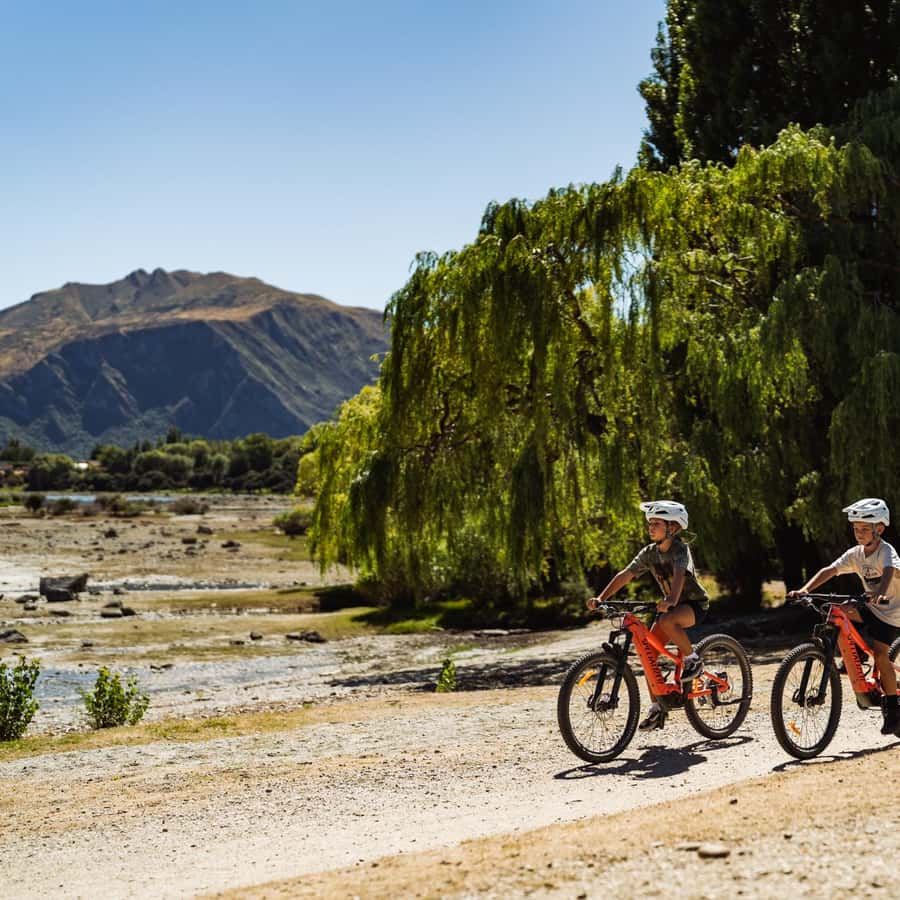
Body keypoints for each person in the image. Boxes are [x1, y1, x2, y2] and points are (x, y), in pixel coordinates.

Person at [587, 500, 710, 731]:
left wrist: (672, 600)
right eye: (649, 523)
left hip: (693, 605)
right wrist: (601, 597)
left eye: (656, 523)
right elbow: (626, 574)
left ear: (672, 528)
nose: (650, 528)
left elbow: (679, 576)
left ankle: (693, 659)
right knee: (648, 655)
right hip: (668, 607)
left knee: (667, 620)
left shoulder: (680, 550)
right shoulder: (649, 553)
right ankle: (657, 709)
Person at [788, 497, 900, 736]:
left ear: (879, 528)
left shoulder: (886, 552)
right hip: (871, 607)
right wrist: (805, 589)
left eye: (864, 529)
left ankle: (893, 709)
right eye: (855, 528)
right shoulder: (856, 554)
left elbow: (890, 571)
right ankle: (852, 652)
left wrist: (879, 594)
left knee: (881, 655)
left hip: (892, 612)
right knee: (840, 609)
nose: (858, 533)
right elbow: (830, 570)